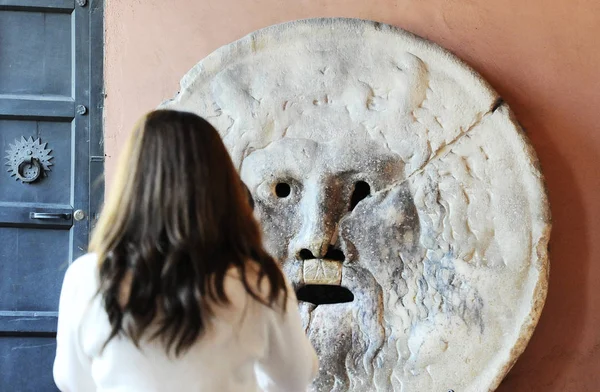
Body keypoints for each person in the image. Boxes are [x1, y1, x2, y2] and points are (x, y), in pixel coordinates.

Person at [53, 110, 319, 391]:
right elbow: (295, 378)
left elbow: (72, 381)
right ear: (222, 184)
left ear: (132, 181)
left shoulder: (86, 277)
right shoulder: (258, 279)